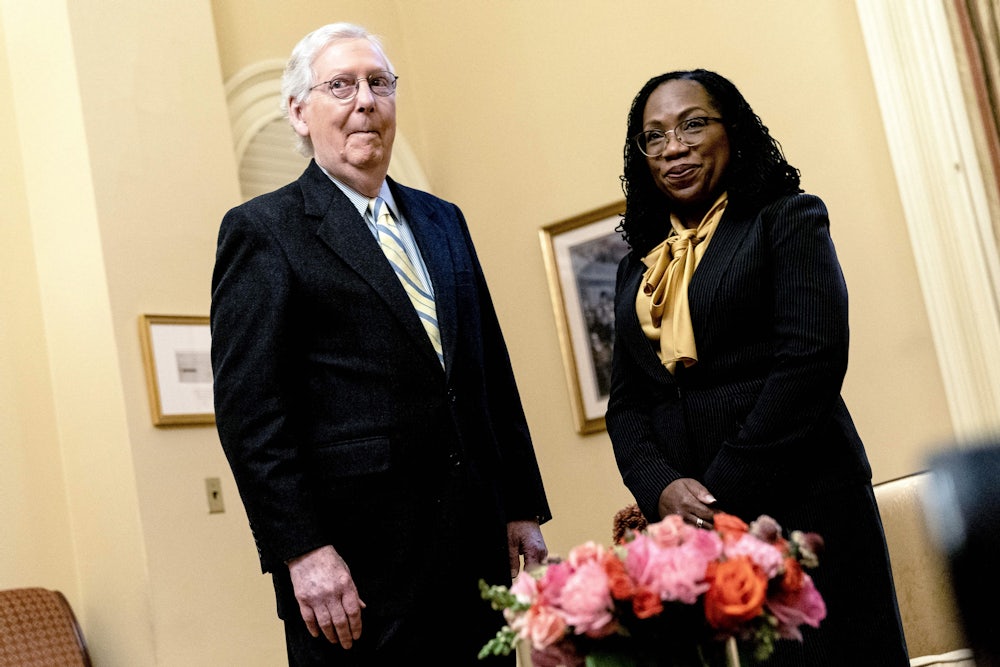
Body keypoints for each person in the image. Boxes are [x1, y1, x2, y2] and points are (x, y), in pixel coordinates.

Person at [210, 22, 550, 666]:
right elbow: (251, 415)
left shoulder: (444, 220)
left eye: (379, 83)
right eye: (340, 85)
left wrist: (520, 506)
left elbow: (488, 374)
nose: (365, 100)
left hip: (474, 557)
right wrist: (302, 550)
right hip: (355, 576)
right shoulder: (264, 231)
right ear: (299, 112)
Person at [605, 69, 909, 665]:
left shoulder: (787, 218)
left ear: (733, 131)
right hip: (691, 538)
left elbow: (810, 361)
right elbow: (628, 403)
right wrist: (661, 487)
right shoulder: (635, 267)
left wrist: (718, 492)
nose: (673, 147)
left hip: (802, 506)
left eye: (693, 124)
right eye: (654, 135)